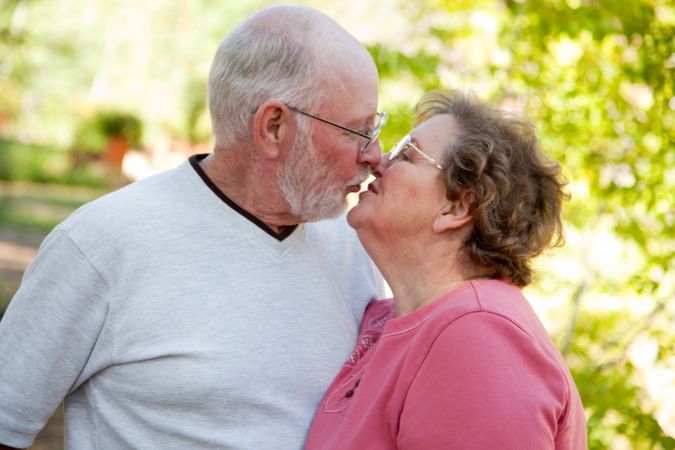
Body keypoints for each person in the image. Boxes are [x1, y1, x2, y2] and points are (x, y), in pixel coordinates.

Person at [0, 5, 388, 450]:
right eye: (357, 130)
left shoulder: (354, 243)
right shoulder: (101, 244)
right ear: (274, 127)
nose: (374, 155)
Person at [305, 90, 588, 449]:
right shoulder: (392, 320)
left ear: (457, 207)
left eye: (406, 154)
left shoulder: (477, 335)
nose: (377, 160)